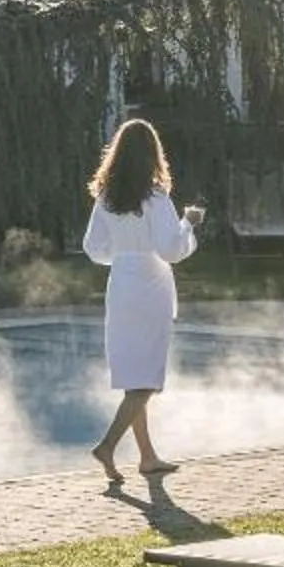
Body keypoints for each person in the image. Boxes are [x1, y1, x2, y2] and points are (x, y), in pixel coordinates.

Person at [82, 117, 201, 483]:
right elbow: (171, 250)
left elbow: (93, 248)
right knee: (145, 380)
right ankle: (107, 445)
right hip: (150, 288)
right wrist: (189, 224)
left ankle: (147, 457)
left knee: (135, 373)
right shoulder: (155, 198)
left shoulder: (106, 198)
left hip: (121, 286)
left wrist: (122, 255)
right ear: (153, 154)